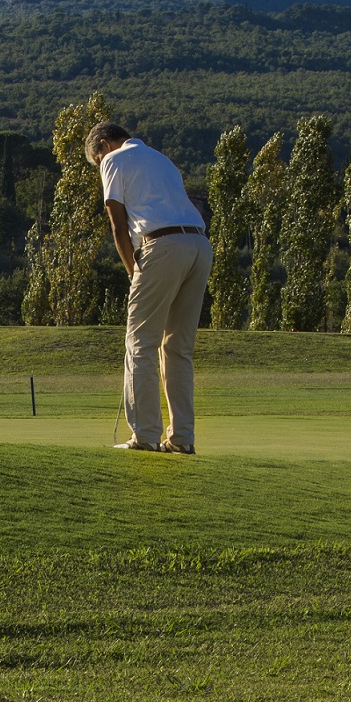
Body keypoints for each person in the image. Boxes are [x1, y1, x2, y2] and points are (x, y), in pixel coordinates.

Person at [88, 122, 212, 454]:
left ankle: (144, 436)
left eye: (98, 160)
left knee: (140, 344)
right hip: (199, 245)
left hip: (161, 245)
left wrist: (133, 271)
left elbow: (117, 224)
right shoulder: (161, 159)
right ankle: (182, 439)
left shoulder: (114, 160)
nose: (102, 166)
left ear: (104, 145)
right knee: (178, 349)